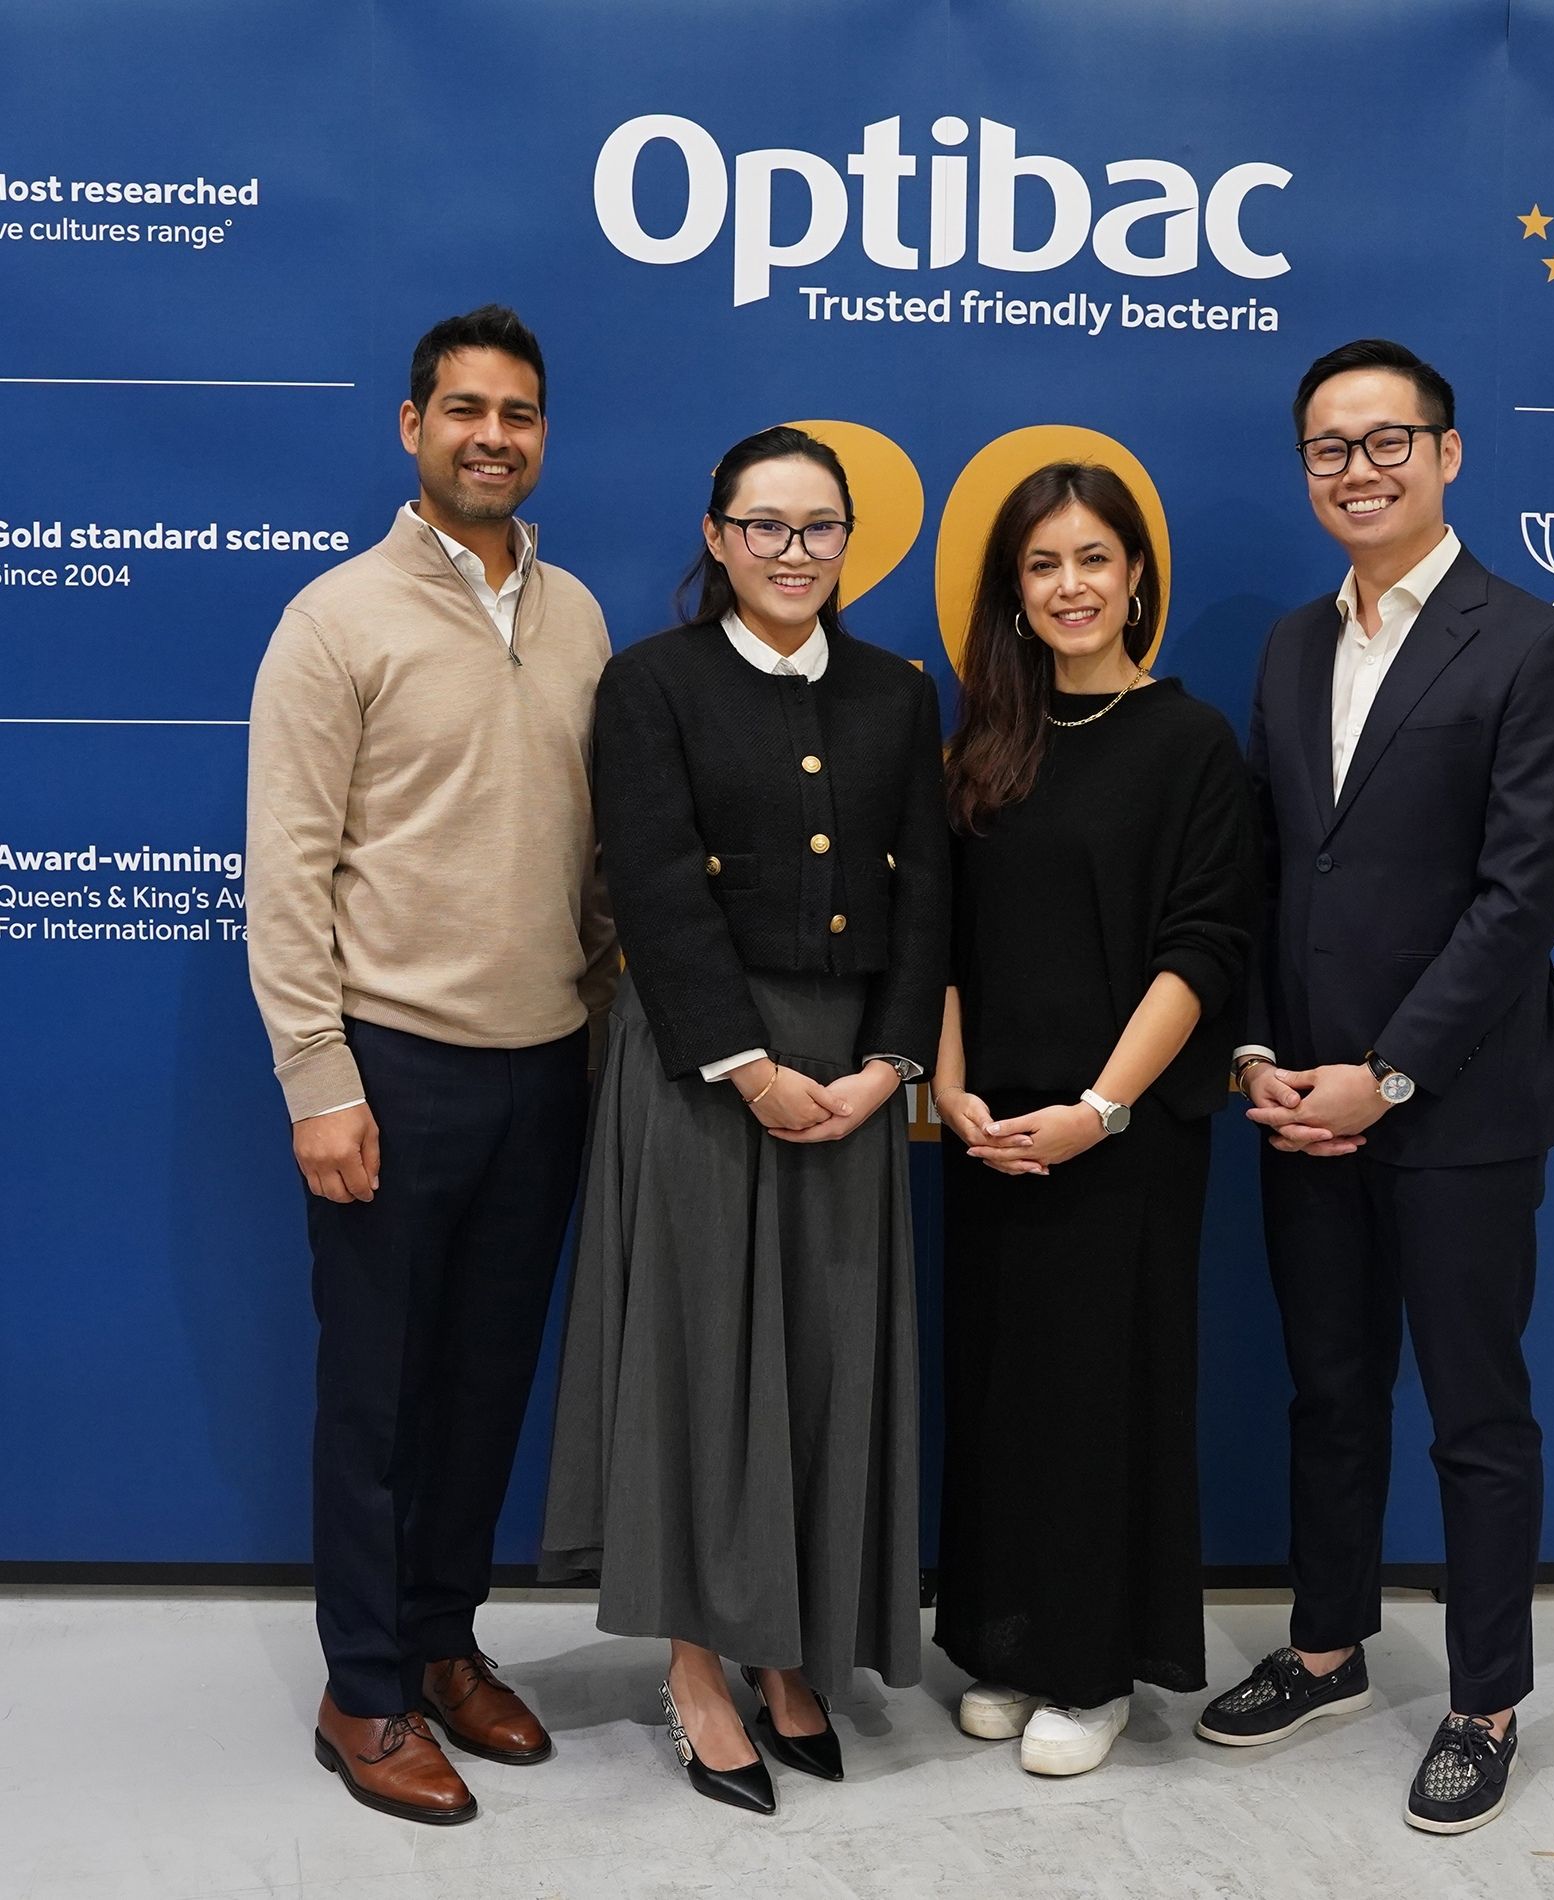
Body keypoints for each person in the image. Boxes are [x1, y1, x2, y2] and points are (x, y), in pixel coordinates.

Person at [1198, 339, 1554, 1834]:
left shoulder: (1532, 642)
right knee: (1330, 1392)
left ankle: (1486, 1698)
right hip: (1298, 1102)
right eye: (1327, 449)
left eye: (1386, 441)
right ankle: (1325, 1647)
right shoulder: (1296, 644)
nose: (1357, 469)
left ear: (1447, 454)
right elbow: (1260, 871)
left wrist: (1388, 1075)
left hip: (1463, 1102)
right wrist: (1256, 1052)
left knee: (1477, 1415)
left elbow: (1519, 901)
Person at [541, 425, 949, 1815]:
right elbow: (651, 882)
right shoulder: (650, 684)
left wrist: (891, 1064)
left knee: (825, 1362)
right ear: (716, 538)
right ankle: (698, 1665)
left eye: (818, 527)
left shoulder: (898, 694)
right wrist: (748, 1064)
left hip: (851, 1073)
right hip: (705, 1071)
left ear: (850, 543)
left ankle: (792, 1655)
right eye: (763, 526)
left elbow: (929, 899)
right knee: (701, 1368)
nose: (792, 552)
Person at [246, 305, 616, 1824]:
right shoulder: (335, 618)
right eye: (463, 409)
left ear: (542, 435)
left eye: (518, 413)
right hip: (393, 1069)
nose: (492, 436)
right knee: (377, 1398)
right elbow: (287, 867)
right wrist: (318, 1076)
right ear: (412, 428)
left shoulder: (582, 612)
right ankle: (366, 1689)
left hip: (549, 1064)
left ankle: (446, 1640)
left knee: (482, 1387)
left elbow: (601, 854)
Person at [931, 462, 1253, 1777]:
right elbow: (937, 938)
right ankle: (1008, 1641)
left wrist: (1102, 1109)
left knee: (1099, 1399)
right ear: (1015, 591)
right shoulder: (985, 749)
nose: (1070, 586)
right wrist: (947, 1093)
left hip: (1120, 1139)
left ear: (1135, 577)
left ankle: (1095, 1668)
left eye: (1093, 559)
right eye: (1043, 565)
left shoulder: (1190, 744)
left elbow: (1204, 948)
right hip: (989, 1134)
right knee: (1002, 1394)